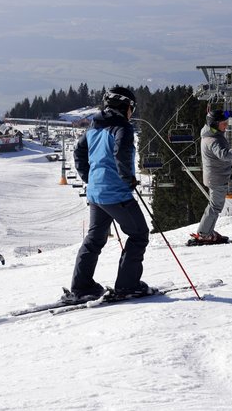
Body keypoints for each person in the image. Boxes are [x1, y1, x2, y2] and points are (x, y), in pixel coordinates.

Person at [68, 86, 151, 302]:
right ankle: (127, 285)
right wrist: (127, 178)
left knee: (95, 238)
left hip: (96, 193)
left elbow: (78, 151)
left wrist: (89, 178)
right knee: (139, 234)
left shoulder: (94, 128)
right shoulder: (121, 128)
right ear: (125, 106)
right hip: (116, 193)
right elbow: (121, 152)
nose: (132, 112)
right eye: (132, 107)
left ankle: (81, 286)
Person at [192, 109, 232, 245]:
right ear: (214, 124)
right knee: (215, 207)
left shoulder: (211, 134)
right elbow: (225, 155)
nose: (226, 125)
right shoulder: (212, 140)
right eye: (223, 123)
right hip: (216, 178)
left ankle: (207, 231)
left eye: (226, 122)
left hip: (215, 176)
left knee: (215, 205)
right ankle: (204, 233)